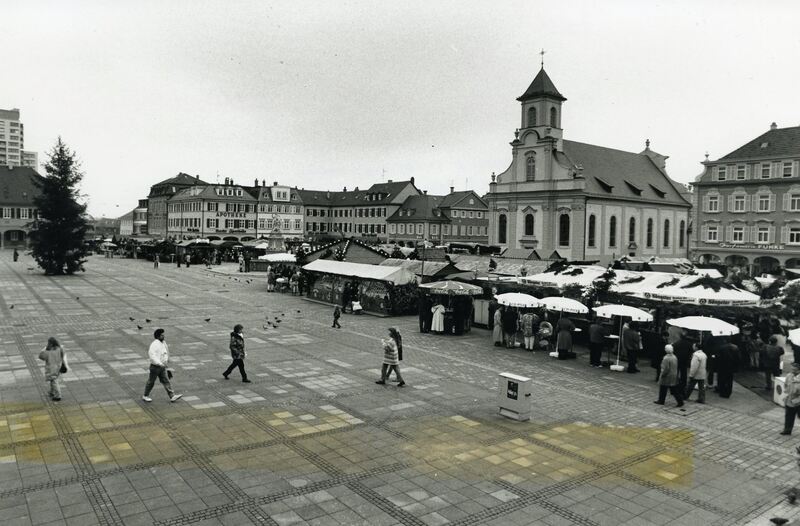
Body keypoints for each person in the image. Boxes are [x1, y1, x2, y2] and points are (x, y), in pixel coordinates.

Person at [142, 329, 183, 403]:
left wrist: (167, 361)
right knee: (151, 382)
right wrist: (159, 363)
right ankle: (145, 395)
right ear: (158, 336)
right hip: (155, 367)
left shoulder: (163, 342)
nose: (163, 336)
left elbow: (166, 352)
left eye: (163, 335)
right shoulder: (154, 344)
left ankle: (172, 396)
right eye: (162, 335)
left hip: (162, 366)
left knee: (166, 380)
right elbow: (152, 356)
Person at [38, 337, 66, 401]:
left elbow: (41, 356)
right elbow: (63, 354)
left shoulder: (48, 351)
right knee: (53, 380)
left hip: (51, 368)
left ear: (50, 344)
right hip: (58, 367)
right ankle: (52, 392)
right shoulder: (60, 348)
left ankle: (58, 396)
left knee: (54, 381)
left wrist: (44, 348)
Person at [781, 362, 800, 435]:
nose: (792, 371)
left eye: (795, 370)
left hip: (799, 400)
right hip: (790, 399)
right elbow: (786, 385)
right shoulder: (789, 375)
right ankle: (787, 430)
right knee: (789, 415)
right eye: (792, 369)